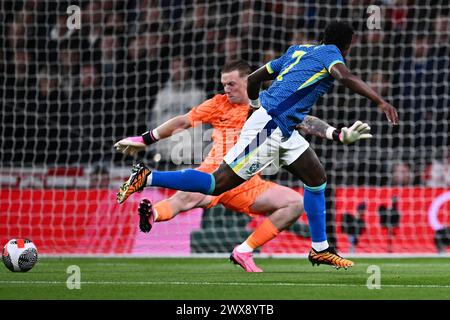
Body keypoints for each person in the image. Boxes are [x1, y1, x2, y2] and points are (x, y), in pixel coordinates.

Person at [116, 21, 397, 269]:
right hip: (270, 126)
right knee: (216, 184)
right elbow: (345, 77)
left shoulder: (297, 50)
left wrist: (254, 106)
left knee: (316, 180)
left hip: (281, 128)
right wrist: (380, 102)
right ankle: (147, 176)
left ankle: (321, 248)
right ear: (347, 44)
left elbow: (253, 79)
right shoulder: (332, 54)